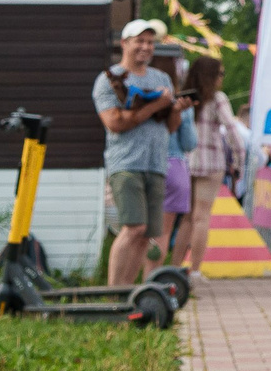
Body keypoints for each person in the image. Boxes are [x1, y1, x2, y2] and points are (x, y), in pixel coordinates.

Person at [95, 19, 182, 287]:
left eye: (150, 42)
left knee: (147, 235)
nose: (145, 47)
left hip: (157, 164)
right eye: (139, 41)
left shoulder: (162, 79)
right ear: (124, 43)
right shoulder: (109, 79)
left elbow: (169, 127)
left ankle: (128, 292)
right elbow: (115, 123)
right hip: (126, 163)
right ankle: (112, 293)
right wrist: (156, 105)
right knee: (132, 228)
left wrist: (176, 109)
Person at [178, 57, 248, 277]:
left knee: (186, 218)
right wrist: (240, 157)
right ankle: (196, 270)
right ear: (211, 76)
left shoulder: (184, 96)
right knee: (202, 217)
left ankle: (173, 268)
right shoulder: (217, 99)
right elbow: (231, 128)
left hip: (186, 161)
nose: (221, 79)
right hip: (211, 163)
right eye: (220, 74)